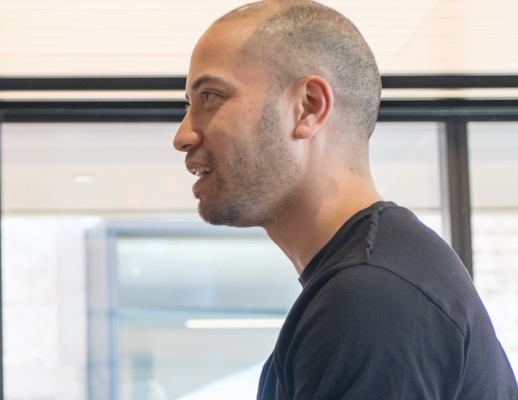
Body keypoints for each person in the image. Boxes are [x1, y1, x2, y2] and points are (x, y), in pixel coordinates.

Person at [174, 0, 518, 398]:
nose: (183, 135)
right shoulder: (371, 279)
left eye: (210, 97)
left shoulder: (374, 297)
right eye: (190, 104)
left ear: (309, 108)